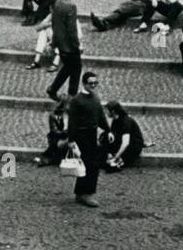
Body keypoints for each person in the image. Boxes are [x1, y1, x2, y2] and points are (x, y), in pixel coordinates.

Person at [67, 70, 108, 207]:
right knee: (88, 165)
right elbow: (72, 121)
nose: (93, 85)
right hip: (81, 136)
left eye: (96, 83)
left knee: (90, 165)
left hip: (92, 135)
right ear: (84, 83)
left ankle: (80, 192)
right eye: (91, 83)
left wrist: (108, 129)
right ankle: (87, 194)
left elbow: (100, 116)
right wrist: (72, 140)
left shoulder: (95, 98)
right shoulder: (77, 100)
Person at [47, 0, 83, 99]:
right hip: (69, 45)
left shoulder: (58, 2)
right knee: (76, 69)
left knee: (67, 67)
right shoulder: (71, 5)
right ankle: (71, 95)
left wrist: (54, 40)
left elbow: (54, 23)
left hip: (60, 42)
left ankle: (53, 89)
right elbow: (72, 28)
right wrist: (77, 44)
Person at [104, 100, 144, 171]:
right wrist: (109, 153)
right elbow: (112, 135)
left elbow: (125, 143)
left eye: (107, 111)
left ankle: (119, 161)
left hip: (134, 145)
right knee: (105, 135)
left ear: (113, 111)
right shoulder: (115, 120)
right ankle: (117, 160)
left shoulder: (126, 121)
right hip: (123, 140)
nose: (106, 113)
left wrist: (115, 157)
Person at [34, 97, 70, 167]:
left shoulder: (74, 115)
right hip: (58, 138)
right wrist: (66, 133)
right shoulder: (54, 116)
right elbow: (54, 131)